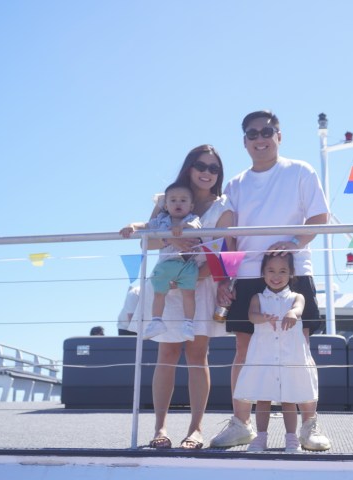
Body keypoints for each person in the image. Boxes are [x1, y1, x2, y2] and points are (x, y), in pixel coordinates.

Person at [210, 110, 331, 451]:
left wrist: (294, 244)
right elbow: (228, 235)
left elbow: (320, 217)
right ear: (244, 141)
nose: (260, 138)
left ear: (280, 135)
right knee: (244, 352)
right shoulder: (235, 183)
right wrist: (226, 277)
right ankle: (241, 423)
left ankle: (309, 426)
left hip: (294, 271)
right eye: (252, 133)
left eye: (267, 131)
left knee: (299, 352)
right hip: (248, 274)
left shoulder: (301, 171)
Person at [125, 144, 234, 450]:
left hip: (199, 284)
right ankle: (160, 428)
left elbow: (222, 255)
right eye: (202, 166)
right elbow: (148, 243)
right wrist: (172, 237)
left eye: (214, 169)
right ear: (190, 167)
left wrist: (190, 275)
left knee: (198, 356)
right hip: (164, 286)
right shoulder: (165, 201)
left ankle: (196, 429)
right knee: (167, 355)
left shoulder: (223, 210)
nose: (207, 173)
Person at [234, 253, 318, 453]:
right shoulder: (258, 297)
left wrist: (292, 313)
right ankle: (260, 437)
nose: (276, 275)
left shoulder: (297, 296)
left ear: (291, 274)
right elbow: (251, 316)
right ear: (263, 273)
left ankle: (291, 438)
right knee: (263, 398)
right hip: (264, 355)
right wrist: (262, 317)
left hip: (289, 356)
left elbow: (298, 309)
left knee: (289, 398)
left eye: (283, 271)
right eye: (271, 270)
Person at [121, 182, 202, 341]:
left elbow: (195, 226)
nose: (178, 203)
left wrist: (184, 226)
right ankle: (156, 320)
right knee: (159, 293)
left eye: (183, 200)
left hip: (186, 264)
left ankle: (188, 323)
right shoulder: (161, 220)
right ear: (165, 205)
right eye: (173, 200)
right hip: (165, 265)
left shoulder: (191, 218)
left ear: (191, 206)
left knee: (189, 294)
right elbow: (145, 225)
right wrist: (131, 226)